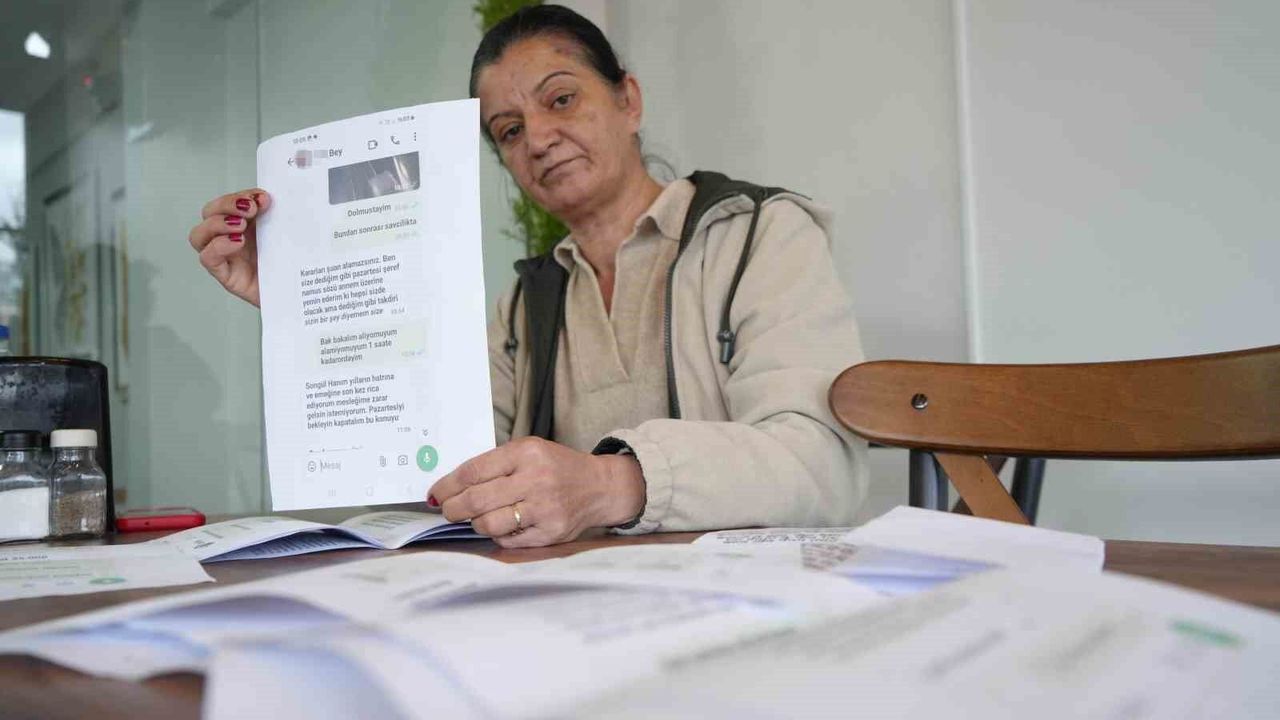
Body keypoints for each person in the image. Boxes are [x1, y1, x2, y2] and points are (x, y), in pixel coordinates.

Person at [188, 4, 868, 548]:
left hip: (749, 612)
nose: (538, 139)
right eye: (509, 131)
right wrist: (315, 311)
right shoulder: (523, 306)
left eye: (561, 99)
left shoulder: (759, 235)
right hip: (573, 614)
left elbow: (820, 466)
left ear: (629, 100)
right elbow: (438, 475)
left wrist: (608, 485)